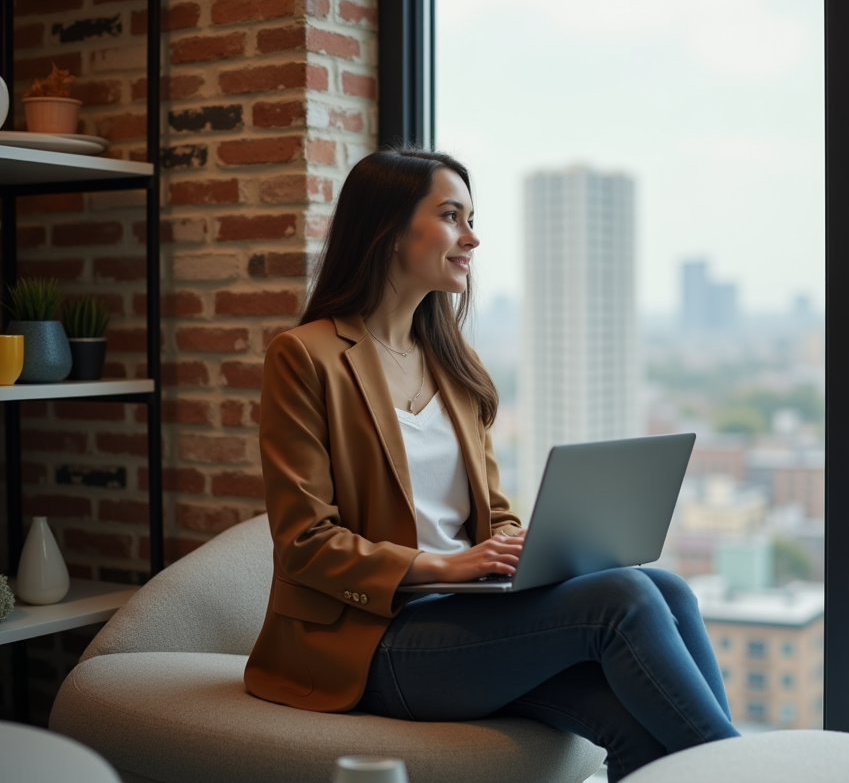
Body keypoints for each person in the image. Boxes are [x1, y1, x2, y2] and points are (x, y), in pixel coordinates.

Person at [244, 146, 739, 780]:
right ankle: (748, 769)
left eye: (471, 218)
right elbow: (304, 544)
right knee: (624, 597)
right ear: (388, 230)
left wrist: (525, 550)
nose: (472, 238)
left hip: (463, 614)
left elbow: (492, 514)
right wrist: (443, 564)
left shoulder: (454, 367)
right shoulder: (305, 357)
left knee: (665, 597)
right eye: (452, 216)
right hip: (369, 640)